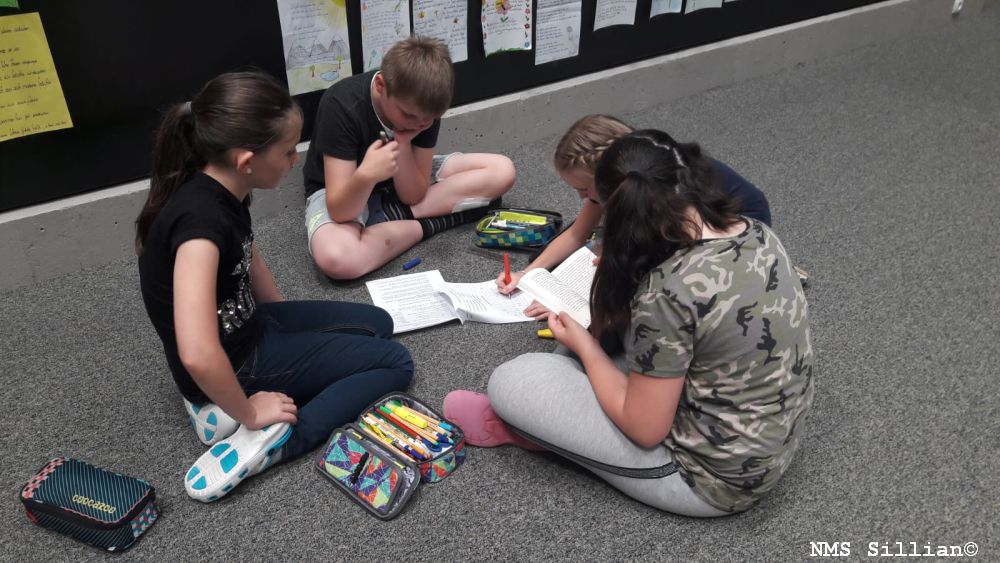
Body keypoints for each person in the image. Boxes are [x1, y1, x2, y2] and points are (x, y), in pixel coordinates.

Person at [445, 129, 814, 516]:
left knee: (515, 378)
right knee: (596, 349)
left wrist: (587, 348)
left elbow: (645, 429)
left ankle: (539, 435)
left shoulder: (667, 291)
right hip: (769, 443)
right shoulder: (756, 231)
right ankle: (556, 425)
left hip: (708, 479)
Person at [135, 72, 413, 502]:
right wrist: (250, 412)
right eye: (287, 151)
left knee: (379, 324)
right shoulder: (199, 227)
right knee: (395, 363)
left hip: (251, 328)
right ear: (246, 160)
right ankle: (277, 440)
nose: (295, 159)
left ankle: (214, 405)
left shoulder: (221, 184)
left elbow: (247, 257)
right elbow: (197, 352)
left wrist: (293, 336)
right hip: (235, 360)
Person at [497, 115, 776, 320]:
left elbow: (653, 258)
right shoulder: (624, 181)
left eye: (584, 189)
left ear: (611, 177)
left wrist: (572, 304)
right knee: (593, 252)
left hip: (738, 227)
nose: (582, 197)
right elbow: (576, 233)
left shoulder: (661, 191)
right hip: (685, 226)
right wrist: (528, 274)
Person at [303, 36, 516, 280]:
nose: (417, 125)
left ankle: (391, 217)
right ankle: (431, 222)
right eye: (408, 116)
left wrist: (403, 144)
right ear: (381, 85)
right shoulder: (341, 104)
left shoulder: (424, 109)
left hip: (401, 176)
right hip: (347, 190)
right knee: (337, 259)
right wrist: (367, 175)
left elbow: (413, 195)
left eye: (426, 122)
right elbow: (341, 212)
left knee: (503, 170)